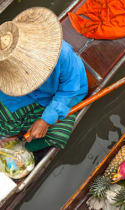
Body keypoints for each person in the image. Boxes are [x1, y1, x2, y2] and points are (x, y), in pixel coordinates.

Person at [0, 7, 88, 152]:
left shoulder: (63, 55)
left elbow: (70, 91)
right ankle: (10, 136)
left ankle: (23, 146)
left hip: (56, 97)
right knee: (5, 118)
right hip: (24, 96)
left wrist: (46, 120)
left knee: (58, 133)